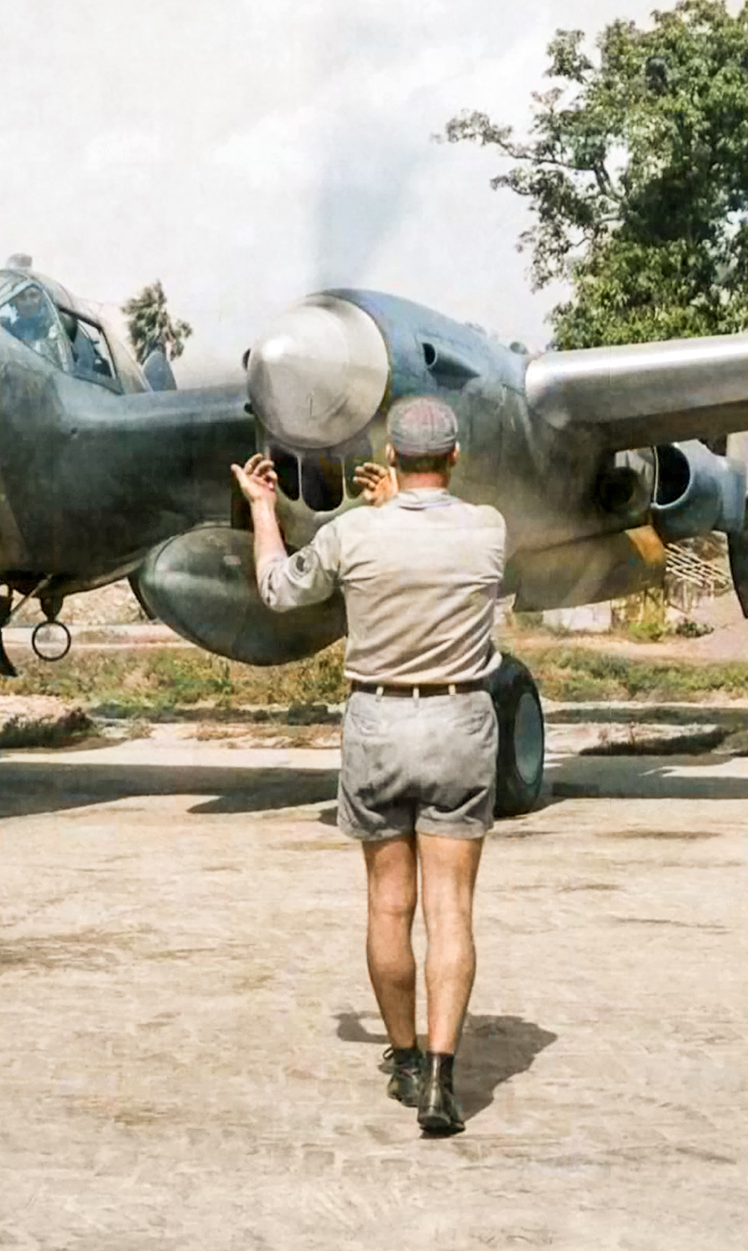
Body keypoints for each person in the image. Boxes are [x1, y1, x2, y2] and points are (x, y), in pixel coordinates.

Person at [230, 394, 507, 1138]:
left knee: (390, 904)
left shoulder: (353, 534)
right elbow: (428, 537)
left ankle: (406, 1057)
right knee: (451, 910)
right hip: (459, 719)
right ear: (453, 457)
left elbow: (278, 589)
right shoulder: (488, 529)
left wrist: (263, 507)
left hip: (378, 724)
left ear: (389, 456)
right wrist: (396, 508)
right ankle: (444, 1079)